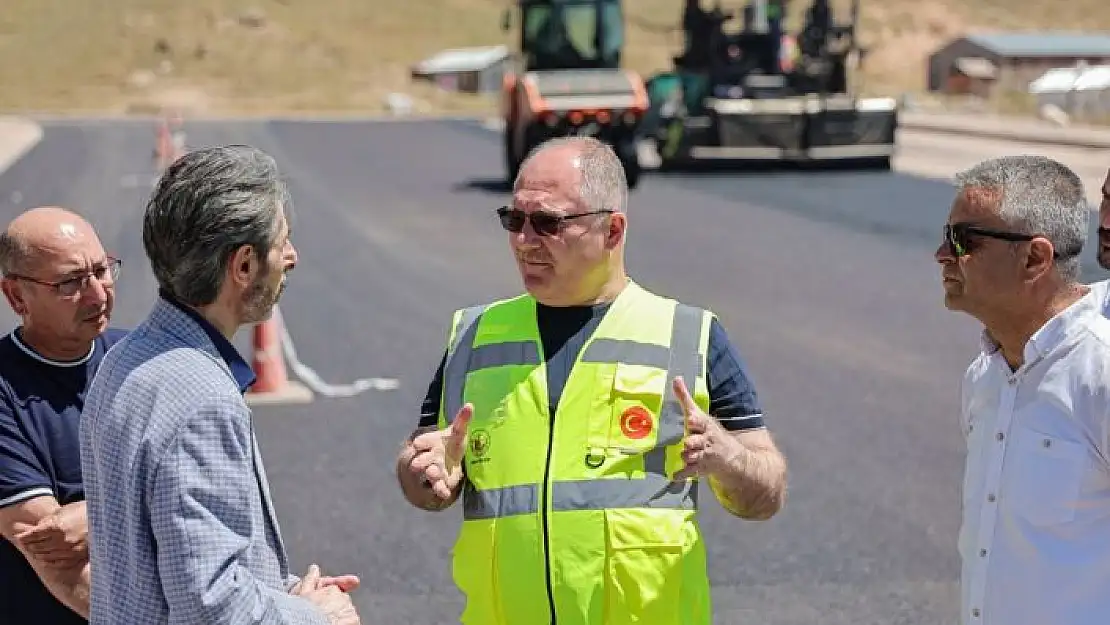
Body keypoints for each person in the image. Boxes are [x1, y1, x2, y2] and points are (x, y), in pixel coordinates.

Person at [395, 136, 788, 625]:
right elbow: (422, 465)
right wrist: (423, 475)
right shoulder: (474, 337)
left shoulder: (689, 336)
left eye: (547, 223)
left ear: (612, 229)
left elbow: (767, 492)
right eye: (513, 220)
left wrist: (728, 459)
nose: (523, 240)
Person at [78, 145, 361, 625]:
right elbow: (211, 605)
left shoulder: (121, 361)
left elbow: (164, 563)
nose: (291, 257)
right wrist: (315, 616)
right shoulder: (200, 400)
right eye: (282, 242)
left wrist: (287, 594)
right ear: (244, 265)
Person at [937, 155, 1110, 625]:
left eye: (963, 241)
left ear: (1035, 258)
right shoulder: (985, 375)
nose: (941, 255)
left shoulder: (1100, 372)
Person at [0, 206, 126, 624]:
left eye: (101, 270)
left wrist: (93, 514)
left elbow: (204, 491)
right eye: (70, 282)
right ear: (17, 296)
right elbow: (58, 557)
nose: (97, 294)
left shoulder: (140, 363)